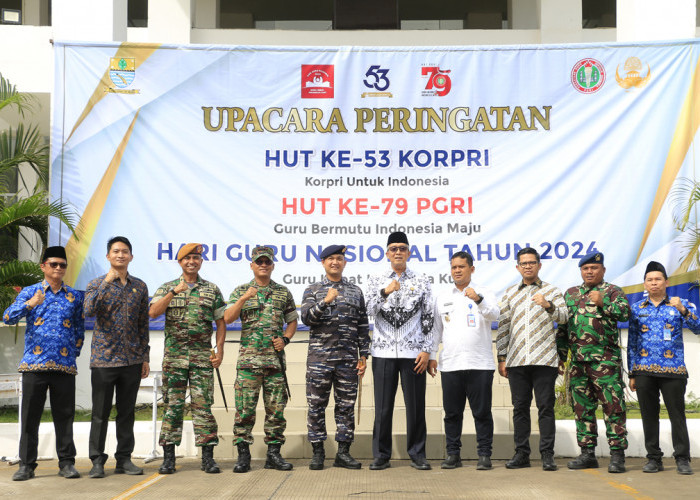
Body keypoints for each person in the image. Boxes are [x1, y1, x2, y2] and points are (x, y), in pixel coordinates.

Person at [3, 246, 84, 481]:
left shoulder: (74, 296)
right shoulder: (30, 292)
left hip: (64, 366)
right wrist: (30, 304)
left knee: (65, 416)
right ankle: (26, 465)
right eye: (53, 264)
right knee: (30, 418)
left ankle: (67, 463)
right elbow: (8, 317)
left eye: (62, 265)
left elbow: (79, 329)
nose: (58, 268)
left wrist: (72, 353)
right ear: (43, 266)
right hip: (34, 365)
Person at [149, 243, 227, 474]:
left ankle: (208, 458)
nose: (192, 261)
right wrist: (175, 291)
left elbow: (221, 322)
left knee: (203, 407)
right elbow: (153, 312)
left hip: (202, 358)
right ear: (180, 262)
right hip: (174, 359)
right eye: (187, 258)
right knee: (172, 407)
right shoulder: (167, 288)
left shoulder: (211, 289)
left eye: (196, 258)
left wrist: (219, 350)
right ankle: (169, 458)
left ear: (201, 262)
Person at [366, 231, 435, 471]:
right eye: (393, 248)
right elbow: (368, 310)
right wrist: (385, 291)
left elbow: (429, 316)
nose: (398, 252)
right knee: (383, 407)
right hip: (383, 352)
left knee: (415, 406)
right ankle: (381, 455)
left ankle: (417, 453)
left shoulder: (422, 279)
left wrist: (427, 350)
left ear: (409, 252)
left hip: (413, 353)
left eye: (402, 248)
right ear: (387, 253)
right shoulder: (376, 279)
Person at [225, 246, 298, 473]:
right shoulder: (240, 291)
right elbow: (227, 318)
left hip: (275, 364)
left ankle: (273, 455)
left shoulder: (282, 292)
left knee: (276, 412)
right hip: (249, 363)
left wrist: (285, 339)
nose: (263, 265)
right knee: (244, 411)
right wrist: (245, 298)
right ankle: (243, 456)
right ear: (252, 265)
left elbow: (292, 320)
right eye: (259, 262)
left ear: (273, 265)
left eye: (267, 262)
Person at [556, 251, 630, 473]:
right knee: (582, 408)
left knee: (613, 407)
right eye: (585, 268)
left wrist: (603, 302)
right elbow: (563, 327)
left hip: (605, 362)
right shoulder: (570, 294)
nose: (589, 271)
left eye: (594, 268)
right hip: (578, 363)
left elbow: (625, 314)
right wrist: (561, 357)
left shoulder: (612, 291)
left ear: (603, 270)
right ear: (581, 271)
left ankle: (617, 456)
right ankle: (587, 453)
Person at [84, 236, 150, 478]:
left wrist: (145, 356)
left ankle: (124, 459)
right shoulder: (96, 284)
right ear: (108, 256)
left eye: (125, 251)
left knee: (127, 412)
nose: (120, 255)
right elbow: (88, 311)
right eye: (115, 251)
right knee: (100, 413)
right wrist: (106, 284)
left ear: (131, 256)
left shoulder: (140, 286)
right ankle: (97, 460)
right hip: (104, 359)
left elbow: (143, 324)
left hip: (132, 360)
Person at [497, 247, 567, 471]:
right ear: (518, 267)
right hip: (517, 360)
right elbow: (504, 326)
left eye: (531, 262)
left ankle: (547, 454)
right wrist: (501, 356)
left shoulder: (552, 291)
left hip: (545, 359)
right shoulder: (509, 293)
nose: (527, 266)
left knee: (546, 407)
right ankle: (522, 453)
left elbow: (565, 317)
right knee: (520, 408)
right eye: (523, 263)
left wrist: (548, 305)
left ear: (539, 265)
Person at [300, 245, 370, 470]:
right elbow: (307, 319)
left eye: (339, 259)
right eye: (331, 259)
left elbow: (362, 325)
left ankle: (343, 452)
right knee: (316, 406)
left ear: (344, 263)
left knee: (346, 406)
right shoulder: (313, 290)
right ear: (323, 263)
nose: (335, 262)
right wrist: (325, 301)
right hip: (319, 360)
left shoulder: (355, 291)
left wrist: (364, 355)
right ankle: (318, 452)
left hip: (348, 360)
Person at [628, 261, 700, 475]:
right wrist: (632, 372)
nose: (654, 283)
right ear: (645, 284)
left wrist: (683, 310)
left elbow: (698, 328)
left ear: (666, 282)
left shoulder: (680, 303)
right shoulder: (636, 309)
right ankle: (653, 458)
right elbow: (632, 342)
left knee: (677, 415)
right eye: (649, 280)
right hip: (643, 370)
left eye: (658, 279)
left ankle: (682, 459)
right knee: (648, 415)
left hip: (673, 370)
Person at [430, 251, 499, 470]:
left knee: (482, 413)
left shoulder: (484, 291)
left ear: (471, 269)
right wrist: (432, 355)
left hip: (480, 364)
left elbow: (494, 315)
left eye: (461, 266)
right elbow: (436, 330)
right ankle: (453, 454)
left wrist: (478, 299)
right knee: (452, 414)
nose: (457, 271)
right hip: (451, 364)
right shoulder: (442, 296)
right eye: (454, 267)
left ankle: (485, 455)